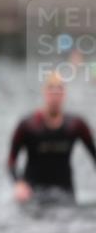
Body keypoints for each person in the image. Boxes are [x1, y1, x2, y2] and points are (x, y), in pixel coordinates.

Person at [9, 73, 96, 206]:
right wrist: (19, 183)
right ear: (44, 92)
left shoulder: (76, 125)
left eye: (59, 91)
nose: (55, 96)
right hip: (34, 193)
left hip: (65, 193)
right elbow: (11, 161)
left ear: (64, 94)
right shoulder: (28, 125)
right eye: (51, 90)